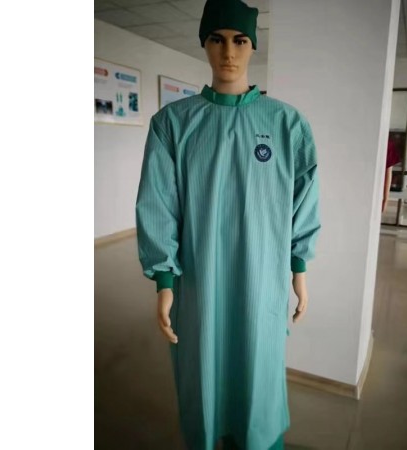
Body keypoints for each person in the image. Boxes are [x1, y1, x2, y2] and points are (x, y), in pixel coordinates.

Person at [135, 1, 322, 449]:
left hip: (262, 280)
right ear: (204, 44)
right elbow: (158, 205)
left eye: (240, 40)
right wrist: (164, 280)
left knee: (258, 373)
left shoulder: (286, 124)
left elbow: (304, 201)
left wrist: (298, 268)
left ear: (253, 45)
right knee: (202, 373)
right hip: (200, 280)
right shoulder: (173, 124)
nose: (228, 52)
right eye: (216, 39)